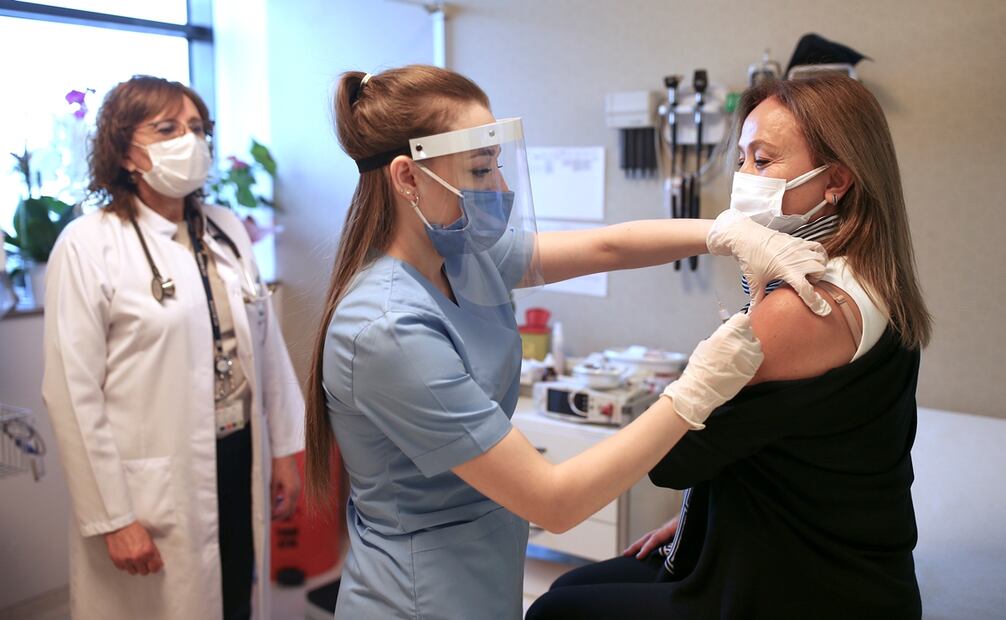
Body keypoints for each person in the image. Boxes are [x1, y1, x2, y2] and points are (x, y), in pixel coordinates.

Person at [304, 65, 833, 620]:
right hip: (416, 597)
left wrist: (723, 233)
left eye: (499, 165)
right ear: (407, 178)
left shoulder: (461, 258)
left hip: (483, 572)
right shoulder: (387, 329)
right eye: (481, 169)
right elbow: (553, 502)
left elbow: (608, 247)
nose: (501, 190)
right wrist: (694, 391)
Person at [526, 73, 932, 620]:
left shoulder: (803, 305)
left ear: (835, 180)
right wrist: (698, 515)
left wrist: (753, 307)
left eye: (763, 161)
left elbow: (673, 460)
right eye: (741, 160)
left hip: (802, 584)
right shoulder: (870, 274)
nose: (743, 179)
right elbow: (787, 440)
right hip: (832, 552)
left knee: (558, 610)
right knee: (572, 590)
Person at [42, 75, 304, 620]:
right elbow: (72, 392)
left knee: (232, 596)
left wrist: (284, 449)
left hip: (235, 455)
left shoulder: (226, 230)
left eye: (197, 129)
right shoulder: (90, 244)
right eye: (167, 129)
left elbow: (267, 348)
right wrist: (112, 517)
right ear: (125, 150)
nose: (190, 140)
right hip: (149, 482)